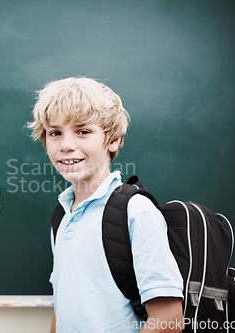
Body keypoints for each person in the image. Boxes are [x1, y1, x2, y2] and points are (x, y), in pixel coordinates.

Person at [27, 77, 184, 332]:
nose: (66, 145)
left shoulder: (135, 212)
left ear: (112, 139)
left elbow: (168, 320)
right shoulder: (62, 216)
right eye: (55, 133)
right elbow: (64, 308)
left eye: (83, 131)